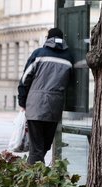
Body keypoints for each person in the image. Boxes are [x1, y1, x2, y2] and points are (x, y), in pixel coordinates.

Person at [17, 27, 73, 164]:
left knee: (37, 148)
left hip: (35, 106)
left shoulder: (39, 54)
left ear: (48, 38)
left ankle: (34, 179)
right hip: (54, 107)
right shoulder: (69, 58)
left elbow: (25, 79)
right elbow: (71, 82)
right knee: (45, 145)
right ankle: (37, 176)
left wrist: (22, 101)